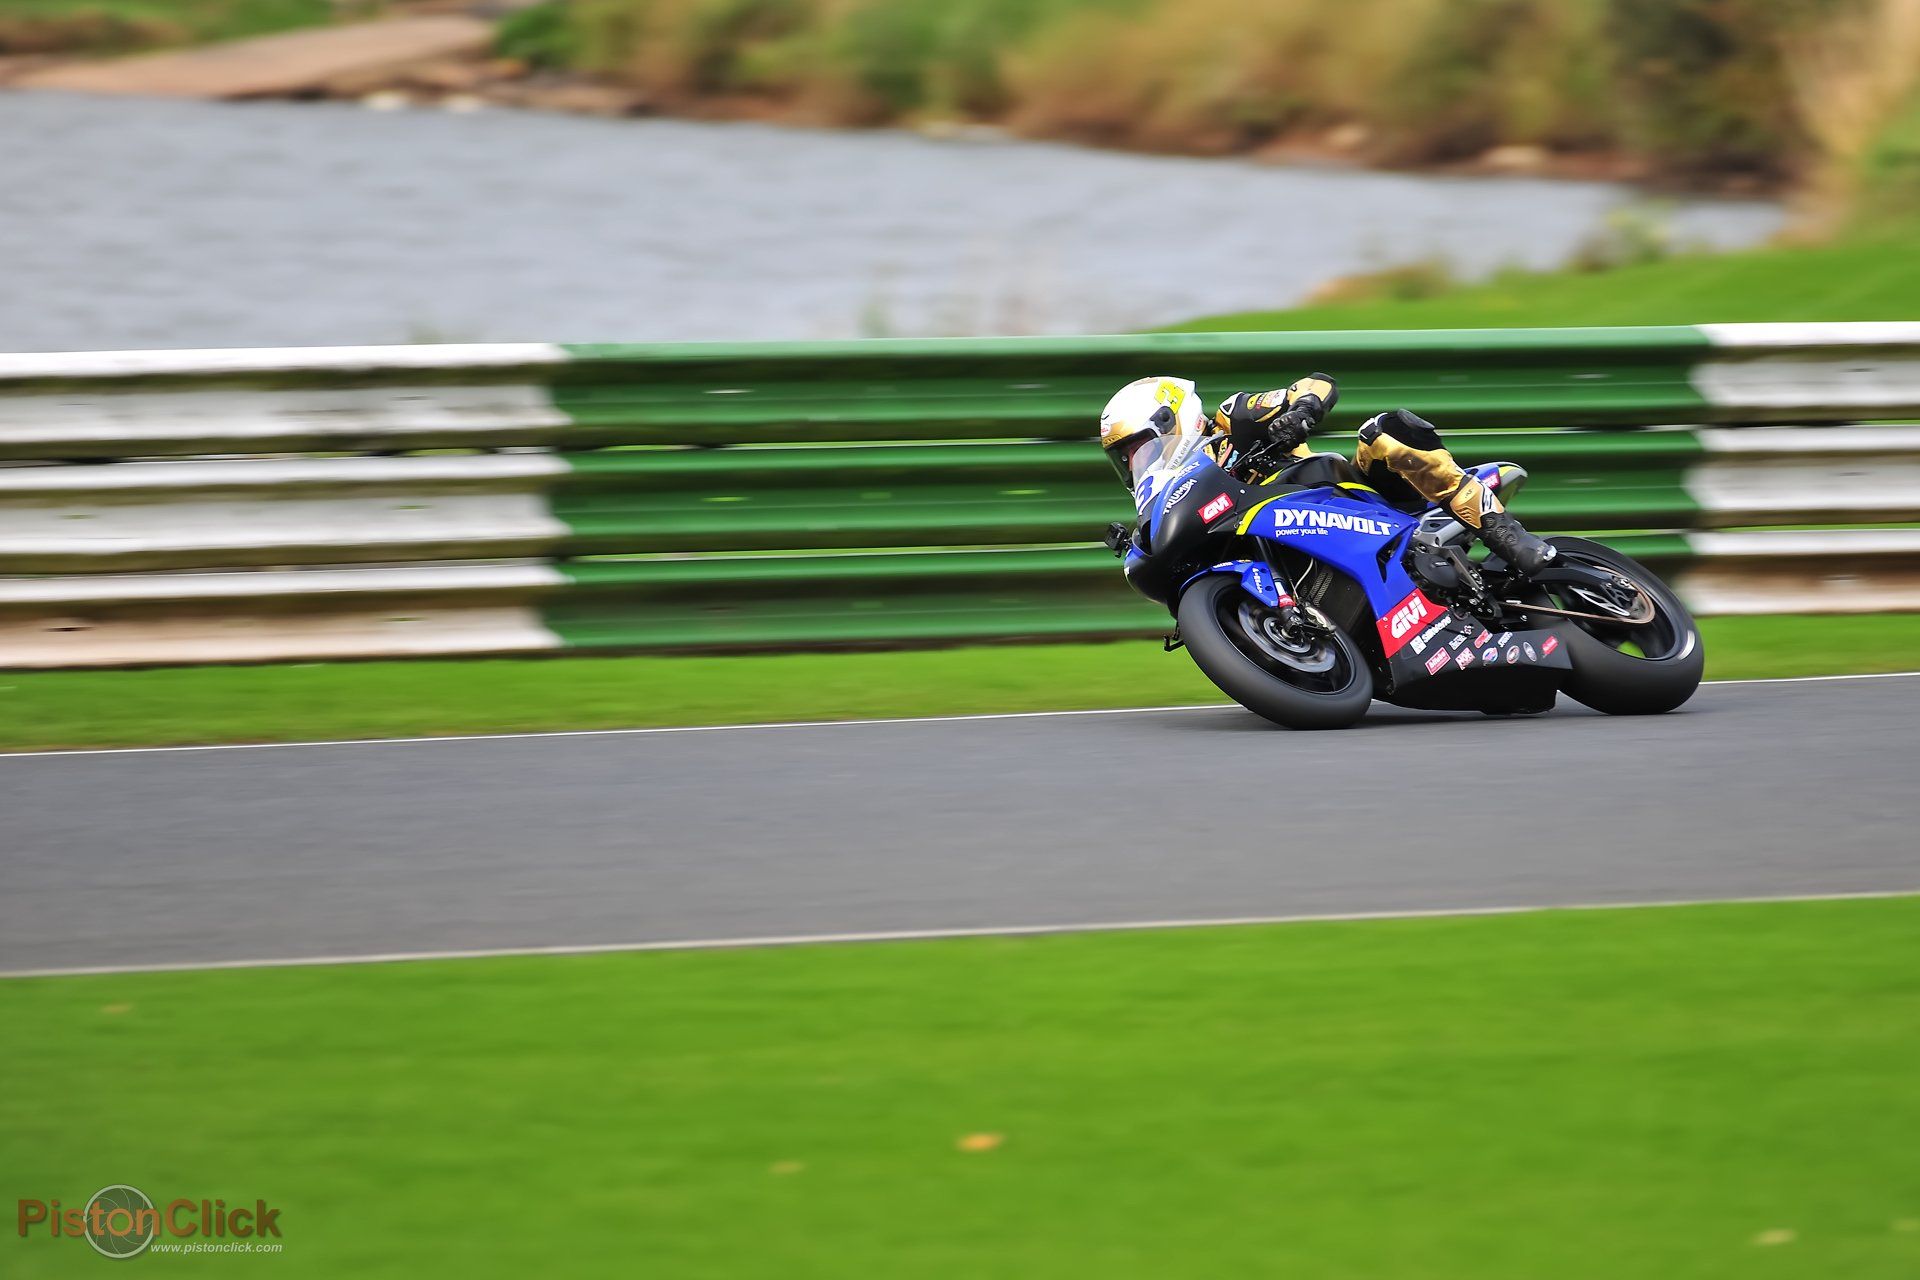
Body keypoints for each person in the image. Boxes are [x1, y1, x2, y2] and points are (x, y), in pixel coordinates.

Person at [1099, 373, 1557, 574]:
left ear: (1172, 420)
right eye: (1129, 456)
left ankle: (1504, 533)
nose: (1140, 459)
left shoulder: (1233, 417)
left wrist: (1299, 411)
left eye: (1142, 445)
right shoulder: (1176, 493)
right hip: (1289, 547)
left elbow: (1316, 384)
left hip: (1348, 497)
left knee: (1382, 432)